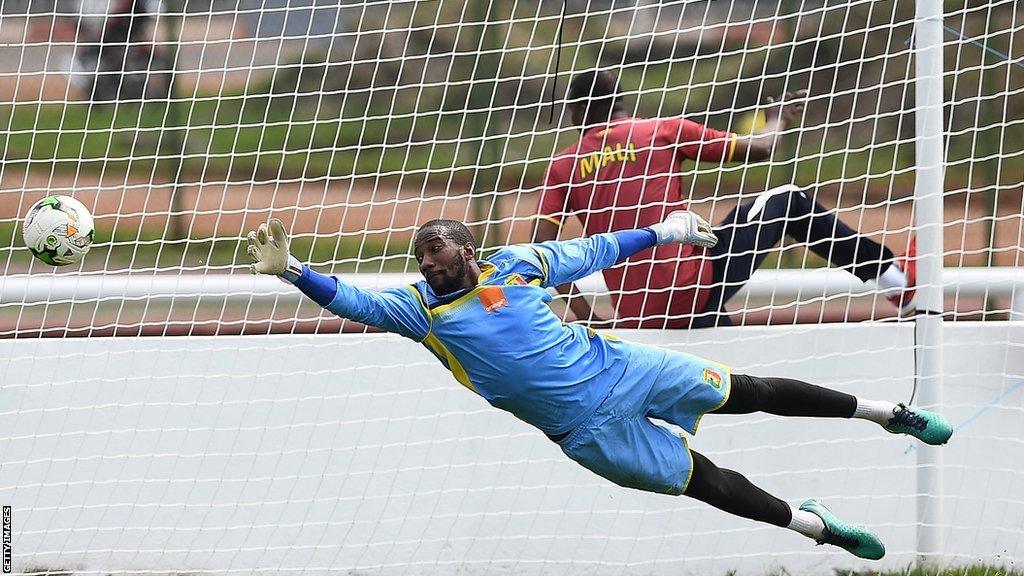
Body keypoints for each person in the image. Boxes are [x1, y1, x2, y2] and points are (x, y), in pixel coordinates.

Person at [246, 213, 952, 560]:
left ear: (467, 249)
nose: (427, 265)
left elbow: (597, 251)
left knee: (751, 389)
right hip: (586, 432)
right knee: (707, 483)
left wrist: (666, 230)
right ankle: (820, 529)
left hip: (622, 366)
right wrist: (294, 270)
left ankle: (888, 412)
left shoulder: (517, 265)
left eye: (437, 252)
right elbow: (353, 301)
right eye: (419, 257)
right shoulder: (417, 311)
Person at [533, 69, 915, 328]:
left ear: (575, 111)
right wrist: (778, 116)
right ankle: (897, 283)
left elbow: (541, 251)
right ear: (622, 103)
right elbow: (762, 148)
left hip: (636, 314)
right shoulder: (660, 131)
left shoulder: (563, 165)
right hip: (690, 286)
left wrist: (589, 319)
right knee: (790, 200)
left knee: (715, 372)